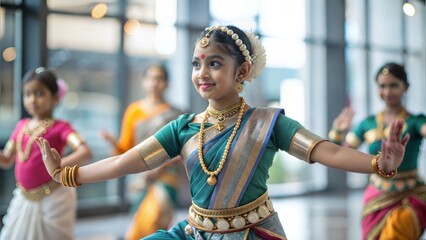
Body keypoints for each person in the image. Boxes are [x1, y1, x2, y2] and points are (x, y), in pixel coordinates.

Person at [37, 25, 408, 240]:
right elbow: (125, 161)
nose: (203, 73)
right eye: (198, 63)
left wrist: (378, 163)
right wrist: (67, 173)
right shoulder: (184, 128)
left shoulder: (268, 123)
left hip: (252, 234)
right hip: (196, 232)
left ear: (242, 70)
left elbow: (327, 151)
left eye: (215, 63)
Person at [328, 62, 426, 240]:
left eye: (393, 85)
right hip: (376, 195)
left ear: (406, 87)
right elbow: (341, 154)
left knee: (399, 227)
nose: (387, 92)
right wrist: (337, 132)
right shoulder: (368, 123)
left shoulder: (415, 121)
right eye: (382, 86)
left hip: (409, 194)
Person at [0, 67, 92, 240]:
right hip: (23, 198)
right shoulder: (22, 125)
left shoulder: (61, 127)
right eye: (27, 94)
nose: (32, 100)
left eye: (39, 94)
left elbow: (85, 152)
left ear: (55, 98)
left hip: (54, 199)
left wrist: (58, 165)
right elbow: (6, 159)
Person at [99, 64, 182, 239]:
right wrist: (112, 141)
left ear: (166, 83)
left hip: (165, 177)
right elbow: (125, 149)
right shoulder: (134, 111)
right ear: (144, 82)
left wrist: (158, 168)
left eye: (159, 78)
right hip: (141, 177)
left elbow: (181, 151)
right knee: (139, 226)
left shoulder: (175, 114)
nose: (154, 83)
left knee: (156, 222)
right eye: (150, 78)